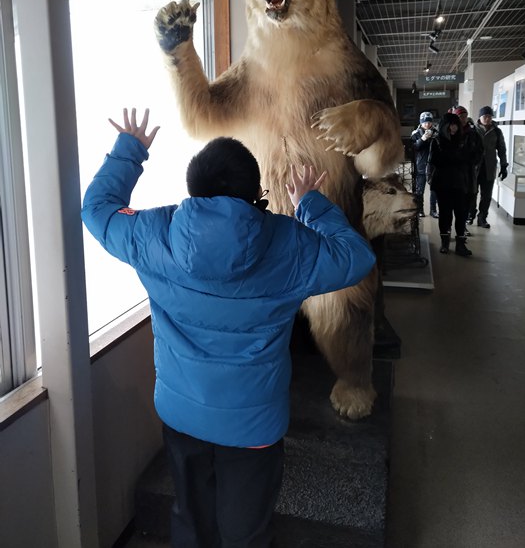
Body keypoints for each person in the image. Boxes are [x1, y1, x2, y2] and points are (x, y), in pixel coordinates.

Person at [81, 108, 376, 548]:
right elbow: (356, 257)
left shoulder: (153, 234)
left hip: (182, 414)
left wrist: (131, 151)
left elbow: (96, 211)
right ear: (256, 191)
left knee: (190, 519)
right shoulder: (289, 244)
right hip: (253, 426)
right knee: (246, 529)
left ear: (193, 187)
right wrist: (309, 203)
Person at [427, 112, 474, 257]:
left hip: (460, 183)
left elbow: (470, 158)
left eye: (455, 125)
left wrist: (452, 159)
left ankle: (460, 244)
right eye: (451, 125)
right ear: (445, 126)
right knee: (445, 214)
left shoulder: (463, 140)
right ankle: (445, 242)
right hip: (443, 183)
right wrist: (454, 159)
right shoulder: (437, 141)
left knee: (461, 214)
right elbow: (435, 161)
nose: (453, 128)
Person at [470, 105, 508, 228]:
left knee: (486, 195)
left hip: (489, 167)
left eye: (490, 116)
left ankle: (482, 218)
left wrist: (503, 165)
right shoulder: (473, 130)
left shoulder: (496, 131)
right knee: (472, 193)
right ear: (480, 117)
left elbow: (502, 149)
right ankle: (471, 215)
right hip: (474, 167)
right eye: (485, 116)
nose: (487, 119)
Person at [451, 106, 484, 236]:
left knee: (466, 201)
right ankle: (447, 233)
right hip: (453, 173)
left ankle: (462, 227)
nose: (463, 119)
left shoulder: (473, 133)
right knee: (452, 202)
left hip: (469, 172)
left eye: (465, 116)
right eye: (460, 117)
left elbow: (480, 151)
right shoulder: (450, 133)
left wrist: (473, 162)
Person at [411, 111, 439, 218]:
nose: (427, 124)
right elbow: (413, 148)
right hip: (420, 166)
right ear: (421, 122)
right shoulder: (416, 133)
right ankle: (420, 210)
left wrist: (434, 138)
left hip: (433, 166)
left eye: (429, 122)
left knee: (434, 190)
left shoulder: (436, 133)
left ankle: (433, 210)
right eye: (425, 122)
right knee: (419, 190)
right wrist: (423, 139)